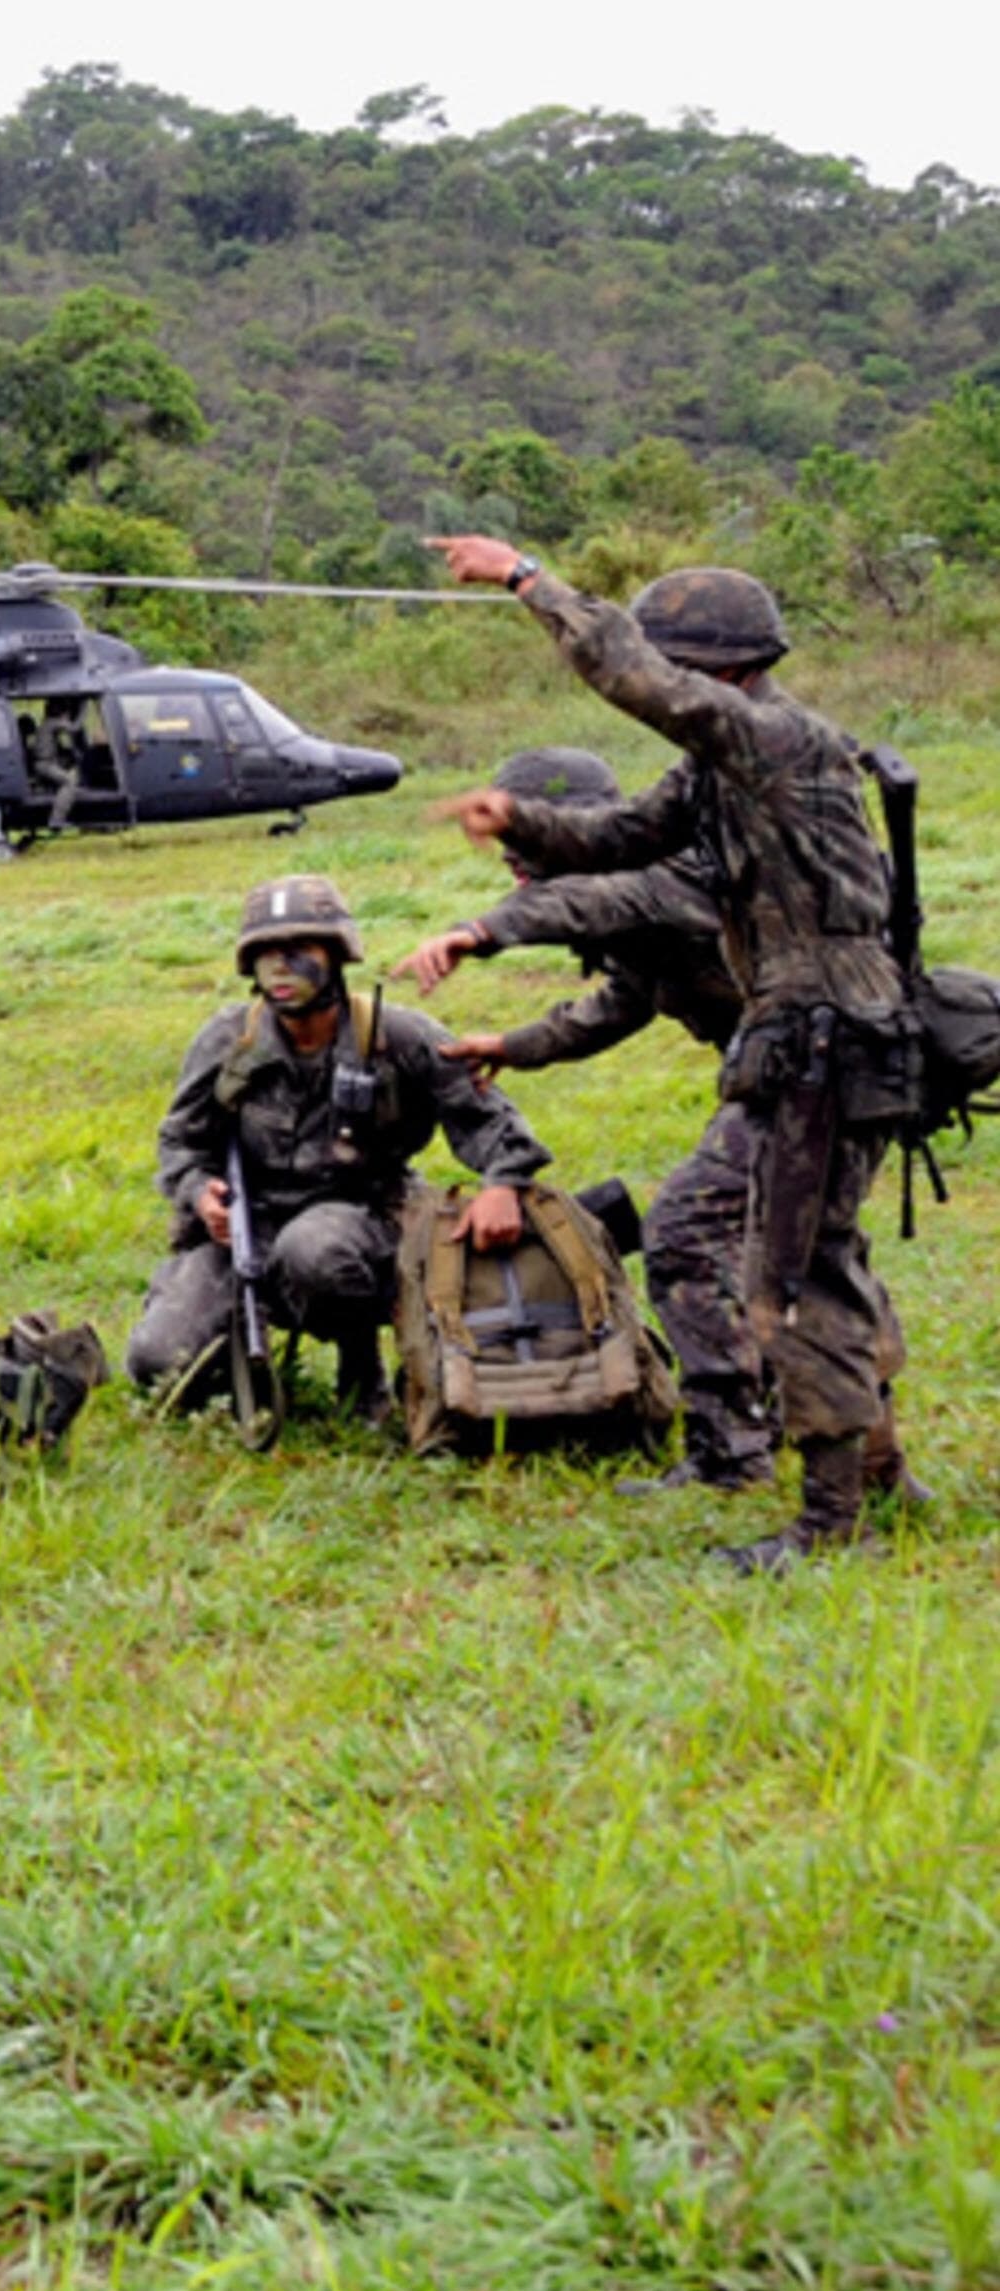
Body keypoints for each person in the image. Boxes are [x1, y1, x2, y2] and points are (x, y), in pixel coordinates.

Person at [428, 540, 922, 1572]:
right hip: (817, 1036)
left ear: (719, 672)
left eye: (679, 668)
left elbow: (628, 680)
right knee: (819, 1254)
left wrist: (526, 578)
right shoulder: (717, 773)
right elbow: (616, 840)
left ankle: (833, 1525)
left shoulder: (774, 737)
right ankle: (878, 1478)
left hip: (828, 1034)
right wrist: (517, 817)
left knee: (792, 1275)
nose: (669, 687)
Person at [397, 747, 780, 1490]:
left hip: (809, 1073)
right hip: (795, 1073)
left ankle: (736, 1452)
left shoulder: (651, 876)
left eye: (529, 841)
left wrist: (476, 933)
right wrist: (515, 1046)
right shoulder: (648, 894)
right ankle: (804, 1415)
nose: (514, 860)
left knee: (687, 1232)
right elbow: (623, 999)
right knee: (785, 1245)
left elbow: (576, 903)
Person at [129, 875, 551, 1419]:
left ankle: (362, 1361)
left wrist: (504, 1185)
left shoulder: (397, 1036)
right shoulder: (229, 1040)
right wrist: (198, 1193)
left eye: (298, 951)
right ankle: (238, 1362)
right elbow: (180, 1139)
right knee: (156, 1363)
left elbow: (491, 1122)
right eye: (265, 956)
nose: (281, 969)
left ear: (336, 956)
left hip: (364, 1222)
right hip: (246, 1227)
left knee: (314, 1249)